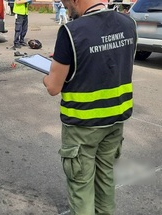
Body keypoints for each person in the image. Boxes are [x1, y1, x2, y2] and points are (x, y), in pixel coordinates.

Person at [43, 0, 137, 214]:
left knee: (81, 186)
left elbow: (53, 88)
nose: (66, 8)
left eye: (67, 3)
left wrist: (47, 78)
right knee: (105, 181)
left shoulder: (70, 32)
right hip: (116, 120)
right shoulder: (129, 24)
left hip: (82, 126)